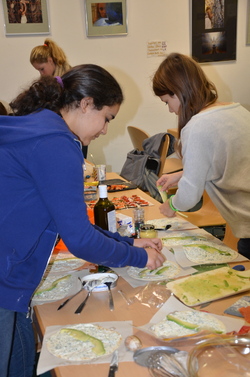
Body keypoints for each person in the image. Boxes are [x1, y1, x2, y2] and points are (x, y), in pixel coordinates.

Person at [0, 64, 164, 377]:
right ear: (86, 103)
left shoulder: (38, 126)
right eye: (107, 119)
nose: (104, 130)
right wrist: (139, 257)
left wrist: (129, 241)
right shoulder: (57, 143)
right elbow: (80, 239)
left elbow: (71, 222)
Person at [153, 52, 250, 258]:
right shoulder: (238, 110)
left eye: (166, 101)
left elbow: (189, 196)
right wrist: (179, 175)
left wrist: (171, 205)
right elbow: (222, 162)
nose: (170, 110)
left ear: (178, 92)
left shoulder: (197, 127)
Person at [30, 38, 88, 157]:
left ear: (50, 60)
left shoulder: (70, 80)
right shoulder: (51, 82)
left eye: (42, 69)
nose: (41, 73)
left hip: (73, 134)